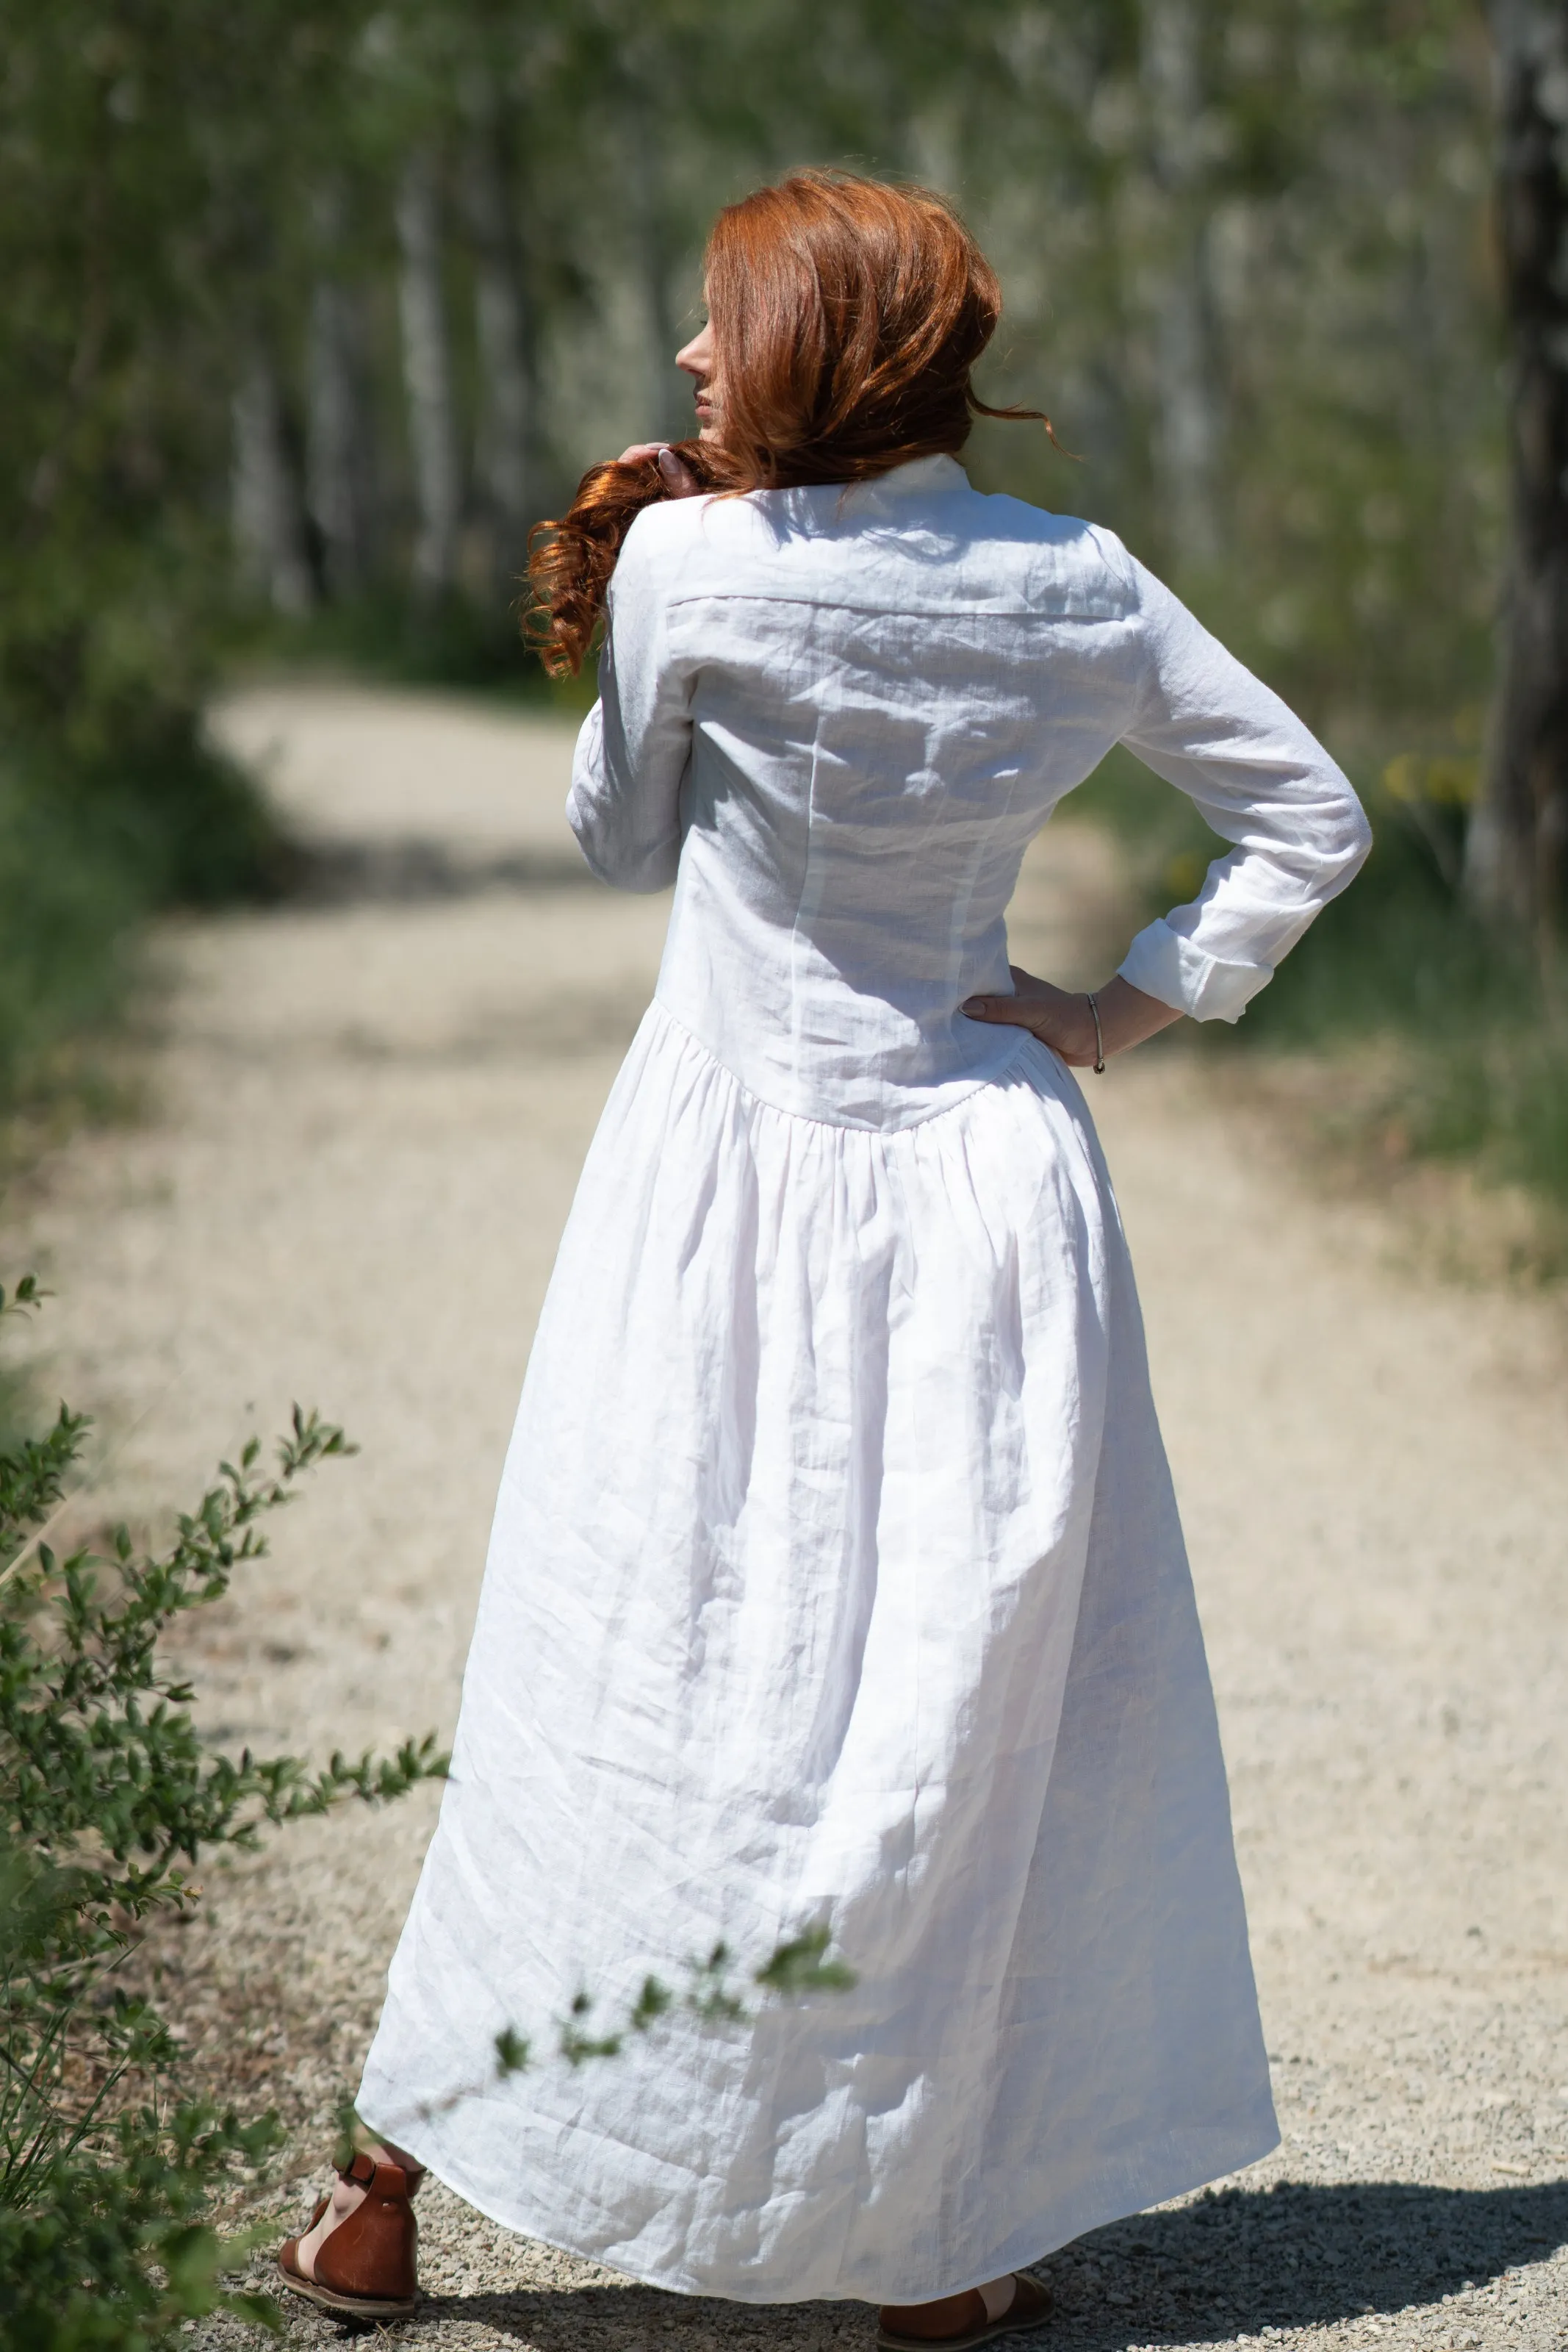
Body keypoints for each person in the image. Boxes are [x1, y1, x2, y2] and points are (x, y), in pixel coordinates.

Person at [278, 170, 1370, 2337]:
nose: (690, 360)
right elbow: (1310, 815)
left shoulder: (693, 555)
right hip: (982, 1176)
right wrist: (1123, 1001)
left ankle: (383, 2191)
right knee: (945, 1707)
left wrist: (618, 600)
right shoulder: (1079, 581)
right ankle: (926, 2252)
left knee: (629, 1673)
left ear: (815, 349)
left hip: (729, 1186)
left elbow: (616, 838)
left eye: (720, 322)